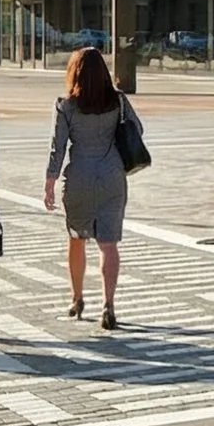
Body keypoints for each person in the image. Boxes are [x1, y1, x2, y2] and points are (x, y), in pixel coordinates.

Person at [43, 46, 140, 330]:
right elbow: (137, 130)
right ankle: (108, 304)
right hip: (112, 175)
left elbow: (57, 147)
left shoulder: (65, 105)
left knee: (76, 239)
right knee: (108, 243)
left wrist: (50, 181)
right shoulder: (119, 101)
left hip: (79, 176)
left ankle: (77, 298)